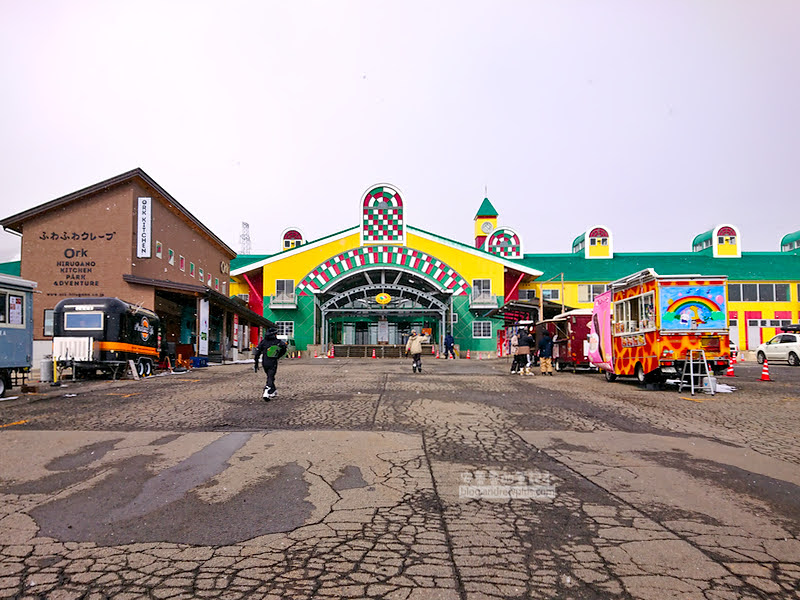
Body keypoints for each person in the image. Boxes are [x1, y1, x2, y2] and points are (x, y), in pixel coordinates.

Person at [254, 327, 287, 400]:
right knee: (270, 376)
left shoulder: (263, 341)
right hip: (273, 362)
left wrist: (256, 362)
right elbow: (284, 348)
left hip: (264, 362)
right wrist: (278, 355)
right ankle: (267, 391)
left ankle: (273, 390)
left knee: (270, 376)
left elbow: (257, 352)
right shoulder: (278, 342)